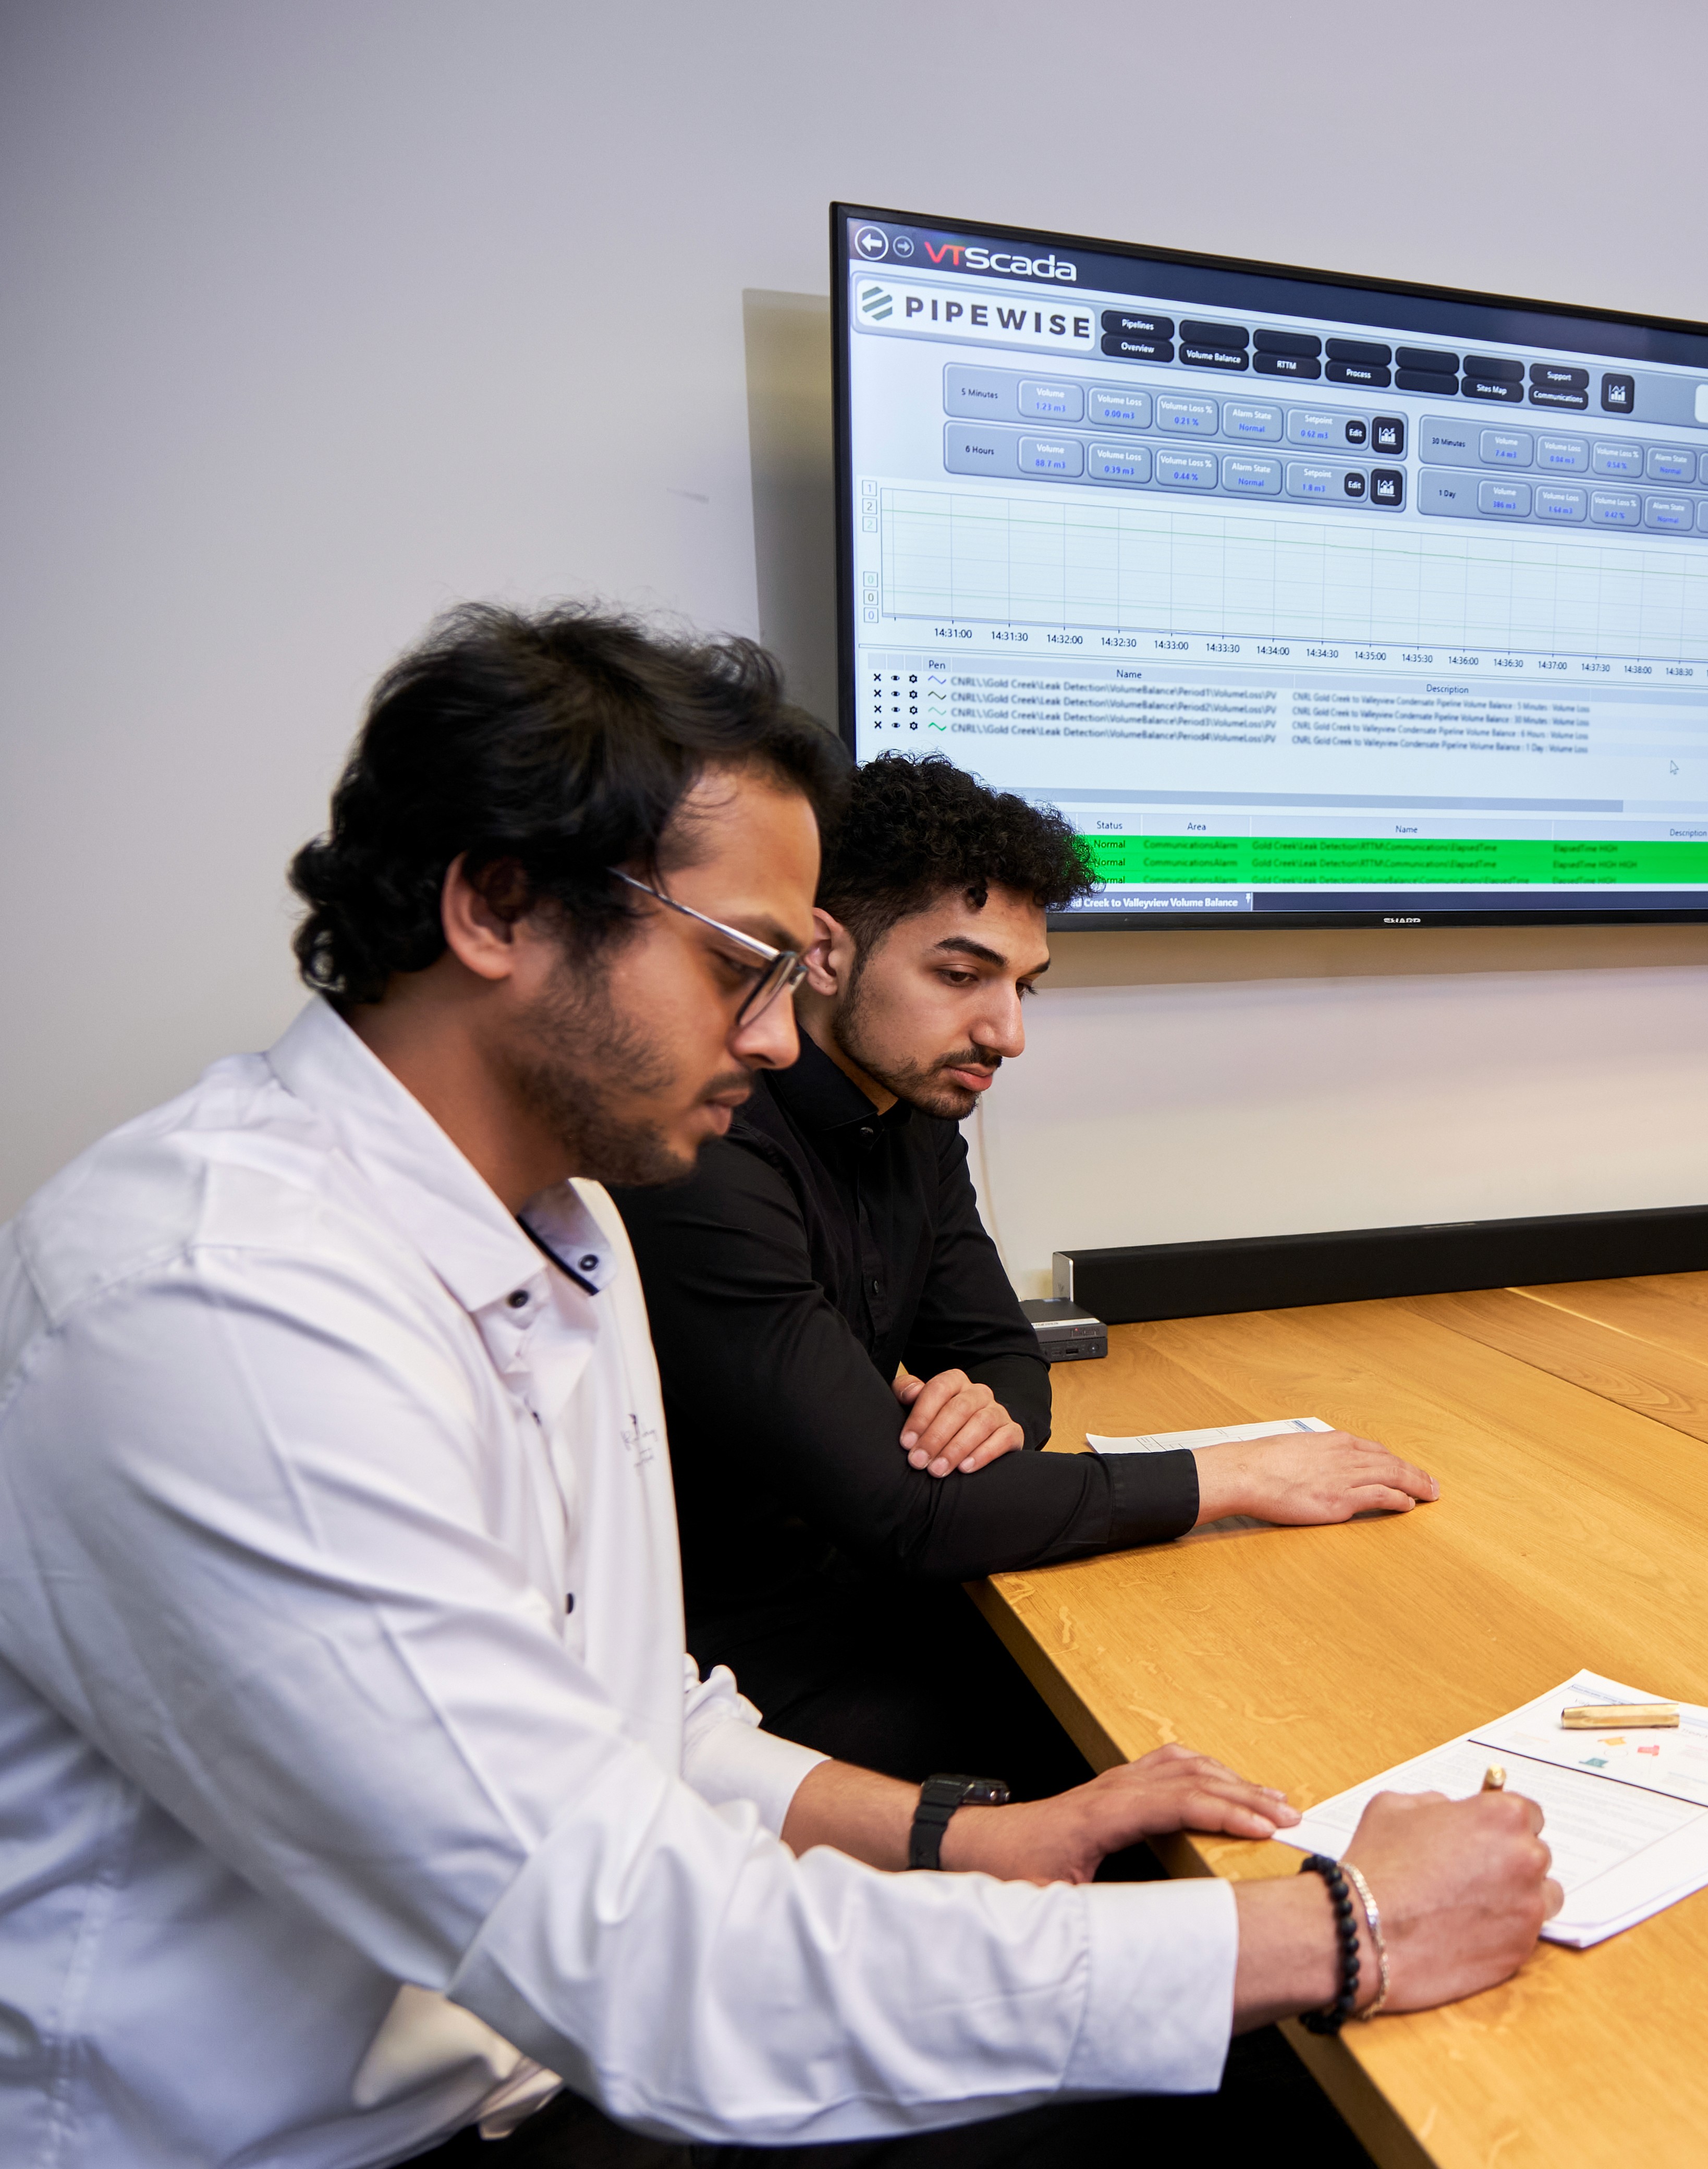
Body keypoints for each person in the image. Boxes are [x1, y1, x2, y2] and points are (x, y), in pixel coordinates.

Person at [0, 607, 1553, 2168]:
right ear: (495, 905)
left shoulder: (563, 1214)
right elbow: (643, 1957)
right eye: (740, 964)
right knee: (1296, 2083)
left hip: (534, 2061)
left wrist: (963, 1834)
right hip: (363, 2139)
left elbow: (637, 1721)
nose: (772, 1030)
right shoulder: (212, 1301)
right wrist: (1336, 1931)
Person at [612, 756, 1437, 1796]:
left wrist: (983, 1410)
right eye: (962, 977)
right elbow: (906, 1513)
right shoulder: (708, 1145)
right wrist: (1235, 1476)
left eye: (1021, 984)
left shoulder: (915, 1111)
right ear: (824, 954)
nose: (1007, 1032)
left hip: (897, 1598)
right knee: (1177, 1754)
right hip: (739, 1675)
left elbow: (1002, 1351)